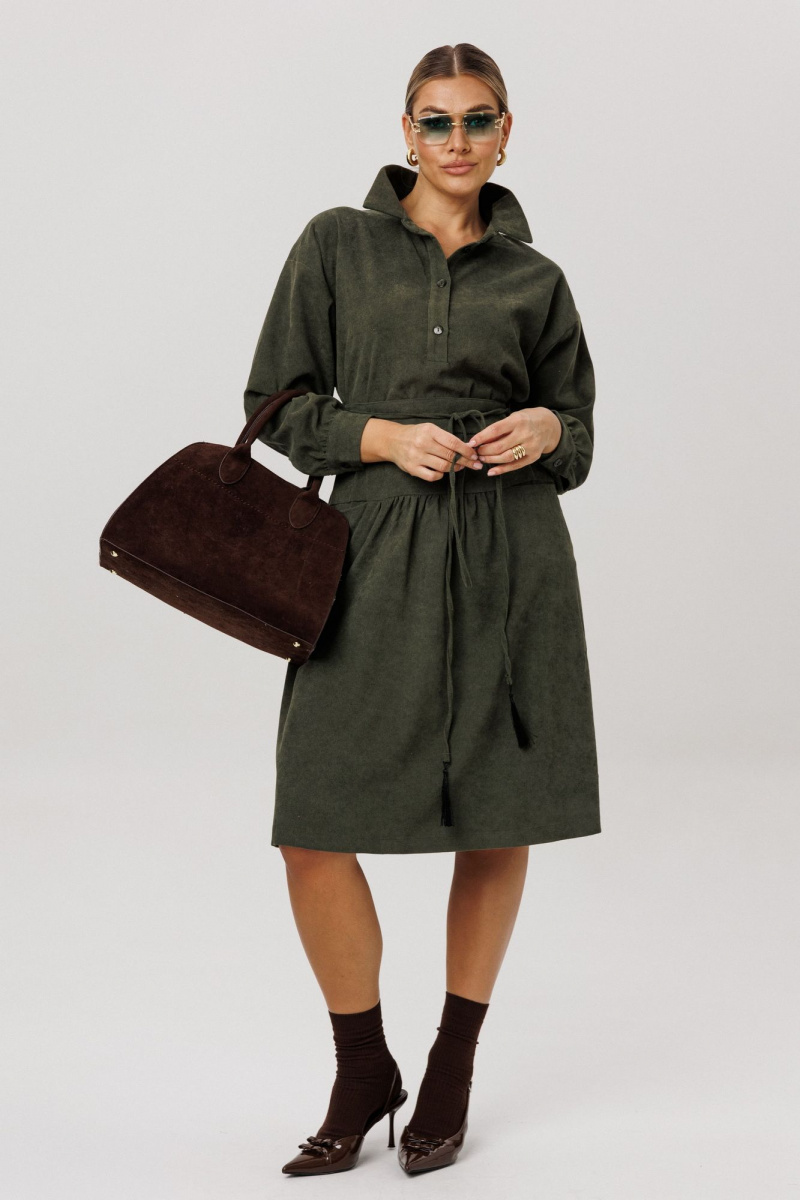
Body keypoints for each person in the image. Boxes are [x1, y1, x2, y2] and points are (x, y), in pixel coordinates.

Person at [242, 42, 601, 1175]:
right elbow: (274, 405)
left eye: (476, 120)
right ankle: (363, 1067)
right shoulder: (334, 244)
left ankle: (450, 1063)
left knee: (498, 811)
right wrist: (381, 436)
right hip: (372, 552)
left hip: (508, 555)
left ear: (506, 133)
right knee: (312, 826)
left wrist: (546, 429)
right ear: (407, 130)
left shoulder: (535, 278)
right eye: (435, 120)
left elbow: (578, 430)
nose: (455, 141)